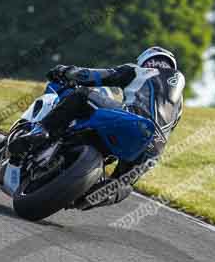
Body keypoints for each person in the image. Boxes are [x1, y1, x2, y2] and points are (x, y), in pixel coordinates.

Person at [11, 46, 185, 210]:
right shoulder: (179, 105)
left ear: (146, 60)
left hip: (131, 120)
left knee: (81, 95)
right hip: (153, 148)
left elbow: (92, 76)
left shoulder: (140, 71)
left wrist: (65, 71)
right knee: (123, 183)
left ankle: (41, 132)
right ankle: (94, 196)